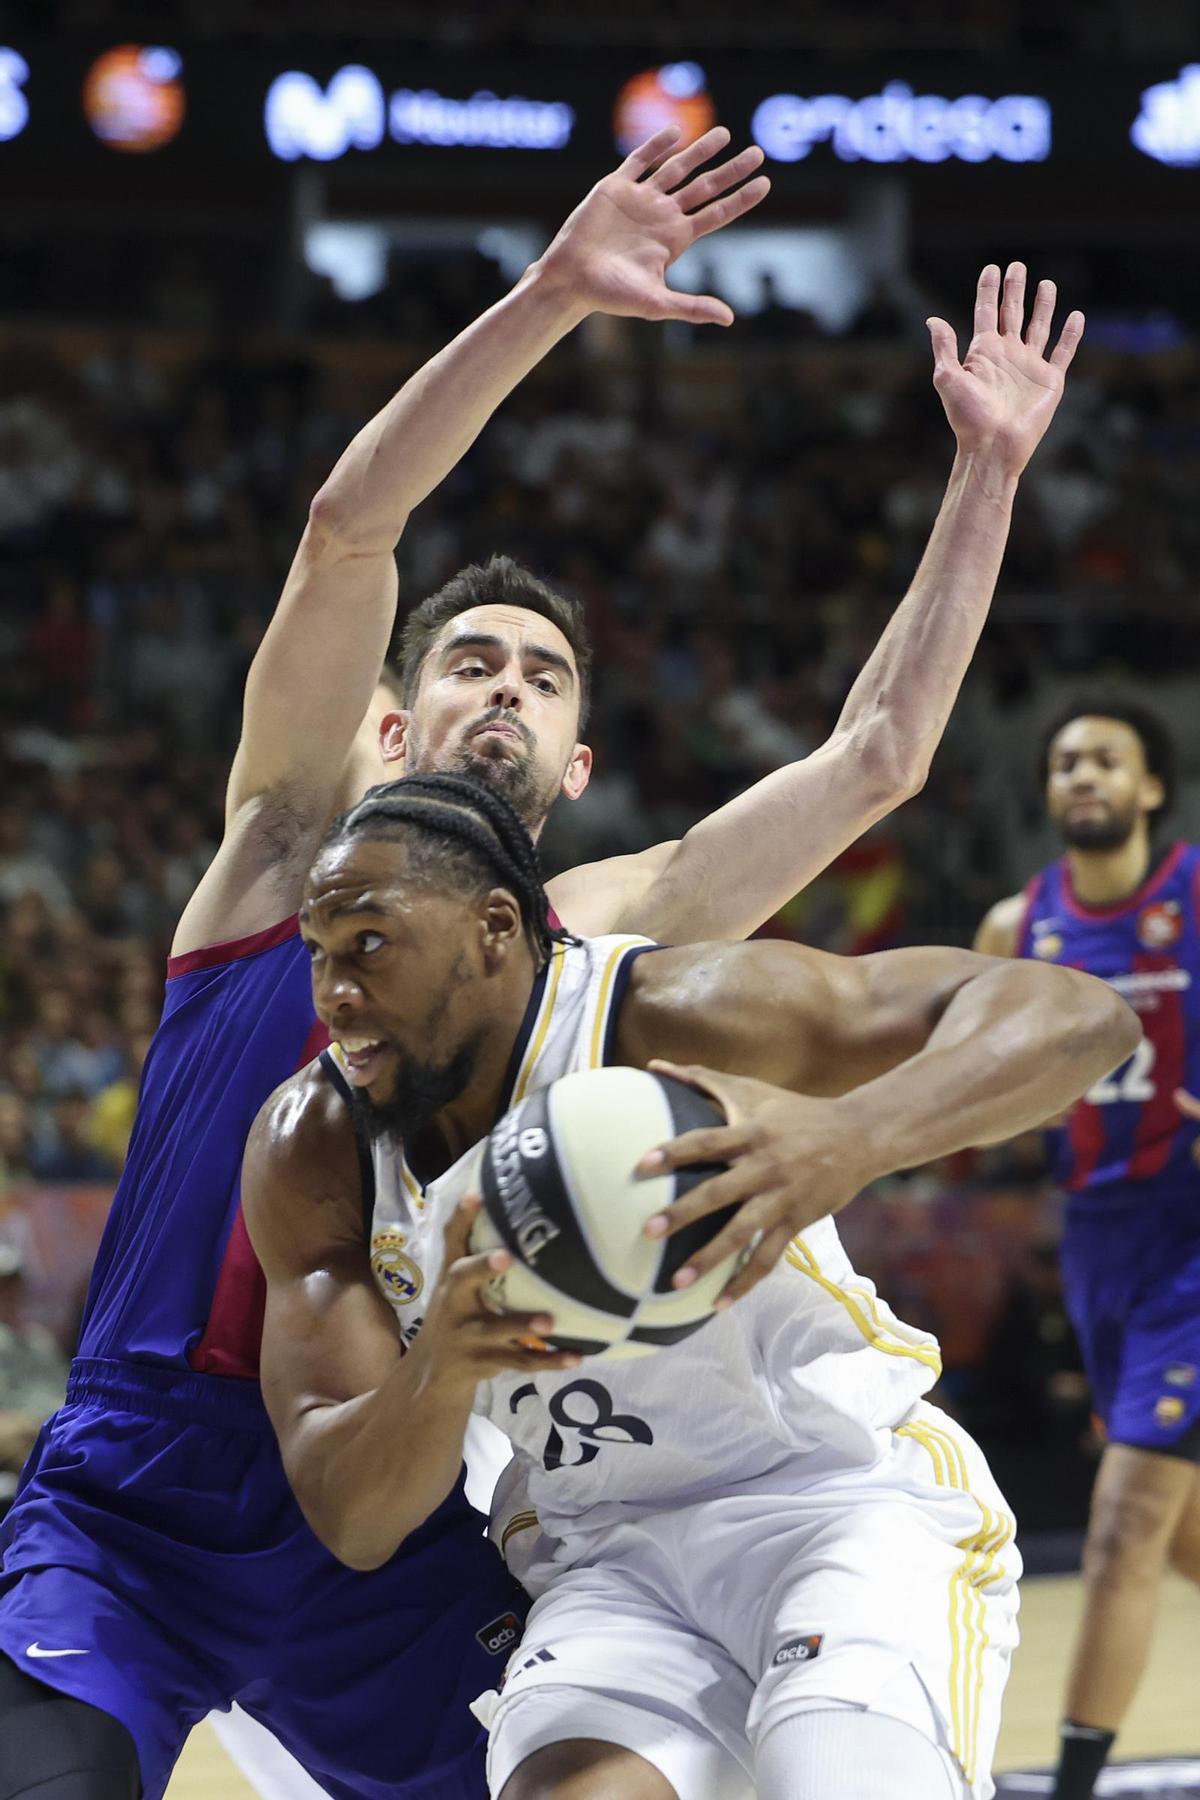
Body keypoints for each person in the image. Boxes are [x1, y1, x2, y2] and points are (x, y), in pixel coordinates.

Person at [0, 119, 1081, 1799]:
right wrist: (551, 297)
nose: (505, 686)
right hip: (152, 1476)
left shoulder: (592, 939)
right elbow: (351, 528)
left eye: (545, 677)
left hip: (407, 1492)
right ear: (392, 714)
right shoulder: (289, 843)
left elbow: (875, 756)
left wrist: (989, 474)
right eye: (474, 659)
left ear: (574, 774)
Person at [242, 771, 1139, 1800]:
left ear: (494, 927)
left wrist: (853, 1134)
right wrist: (439, 1366)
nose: (331, 992)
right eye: (317, 955)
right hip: (606, 1556)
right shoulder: (314, 1145)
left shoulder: (664, 1014)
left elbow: (1080, 1015)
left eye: (368, 944)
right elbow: (355, 1520)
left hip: (836, 1497)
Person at [976, 699, 1200, 1800]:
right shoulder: (1014, 929)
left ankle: (1071, 1784)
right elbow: (980, 1102)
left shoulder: (1197, 895)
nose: (1083, 777)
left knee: (1124, 1522)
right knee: (1185, 1533)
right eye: (1065, 762)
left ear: (1152, 785)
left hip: (1194, 1236)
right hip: (1098, 1244)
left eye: (1106, 759)